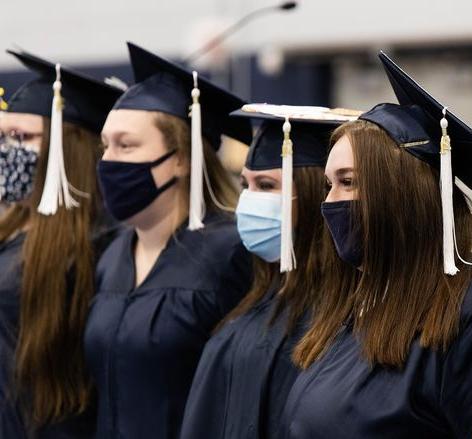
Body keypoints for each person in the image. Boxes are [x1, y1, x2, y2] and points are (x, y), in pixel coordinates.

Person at [278, 52, 472, 439]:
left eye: (348, 182)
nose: (330, 202)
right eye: (328, 184)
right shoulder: (356, 302)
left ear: (402, 193)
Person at [82, 43, 253, 439]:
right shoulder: (112, 256)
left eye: (126, 145)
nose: (108, 161)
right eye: (106, 145)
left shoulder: (230, 253)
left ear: (181, 157)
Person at [180, 104, 360, 439]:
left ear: (312, 195)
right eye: (245, 184)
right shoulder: (259, 295)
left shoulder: (342, 320)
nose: (248, 201)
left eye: (265, 185)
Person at [0, 49, 123, 438]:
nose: (7, 151)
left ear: (65, 148)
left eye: (22, 137)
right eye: (2, 137)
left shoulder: (97, 246)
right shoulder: (14, 229)